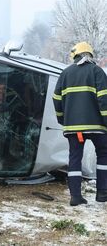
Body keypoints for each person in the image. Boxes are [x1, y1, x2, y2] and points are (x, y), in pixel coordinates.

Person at [53, 42, 107, 206]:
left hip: (73, 129)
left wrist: (63, 119)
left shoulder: (65, 73)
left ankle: (75, 197)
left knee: (75, 159)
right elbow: (104, 99)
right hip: (97, 127)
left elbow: (56, 99)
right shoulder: (97, 71)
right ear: (90, 55)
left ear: (75, 56)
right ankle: (102, 194)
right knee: (104, 155)